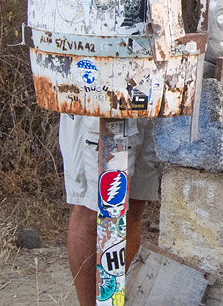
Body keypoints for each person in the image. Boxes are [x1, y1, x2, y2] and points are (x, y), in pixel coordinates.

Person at [60, 113, 159, 305]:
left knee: (133, 205)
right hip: (98, 97)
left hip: (148, 97)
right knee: (93, 210)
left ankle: (116, 300)